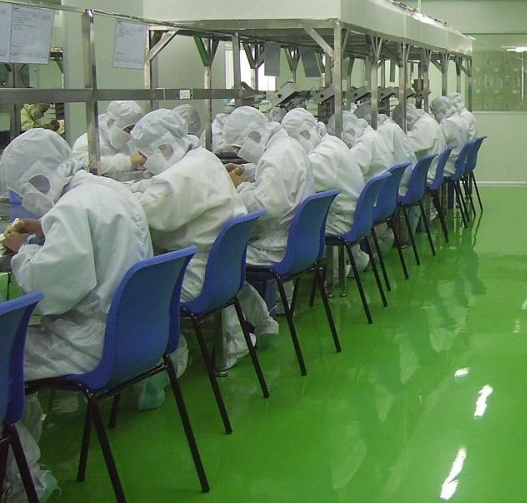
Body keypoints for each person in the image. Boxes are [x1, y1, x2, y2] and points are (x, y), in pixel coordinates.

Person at [0, 129, 153, 502]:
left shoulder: (70, 208)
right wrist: (46, 228)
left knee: (5, 366)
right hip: (135, 333)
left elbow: (50, 292)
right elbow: (90, 242)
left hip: (89, 343)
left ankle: (26, 480)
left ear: (37, 178)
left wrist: (22, 251)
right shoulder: (106, 190)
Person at [127, 109, 271, 382]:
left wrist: (114, 196)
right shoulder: (202, 158)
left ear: (164, 148)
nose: (143, 162)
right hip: (221, 272)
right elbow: (159, 189)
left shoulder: (181, 177)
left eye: (145, 155)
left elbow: (146, 212)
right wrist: (136, 189)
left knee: (125, 294)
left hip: (196, 276)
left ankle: (165, 361)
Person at [219, 106, 314, 267]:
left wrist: (240, 186)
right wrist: (244, 170)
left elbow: (262, 208)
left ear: (253, 136)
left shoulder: (276, 157)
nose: (238, 153)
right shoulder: (286, 146)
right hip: (297, 239)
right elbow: (271, 174)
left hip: (275, 247)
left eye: (238, 148)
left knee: (214, 258)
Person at [281, 108, 371, 271]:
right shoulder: (332, 142)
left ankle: (332, 272)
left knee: (285, 228)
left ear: (304, 134)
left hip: (341, 220)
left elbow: (296, 181)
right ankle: (350, 263)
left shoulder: (324, 155)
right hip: (355, 214)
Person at [71, 100, 144, 176]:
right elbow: (83, 165)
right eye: (129, 128)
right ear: (111, 123)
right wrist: (129, 161)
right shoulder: (88, 141)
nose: (131, 134)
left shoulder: (129, 144)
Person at [431, 96, 470, 174]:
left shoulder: (449, 122)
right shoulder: (458, 119)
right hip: (455, 161)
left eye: (435, 115)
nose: (435, 118)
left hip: (449, 164)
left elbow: (437, 139)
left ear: (443, 111)